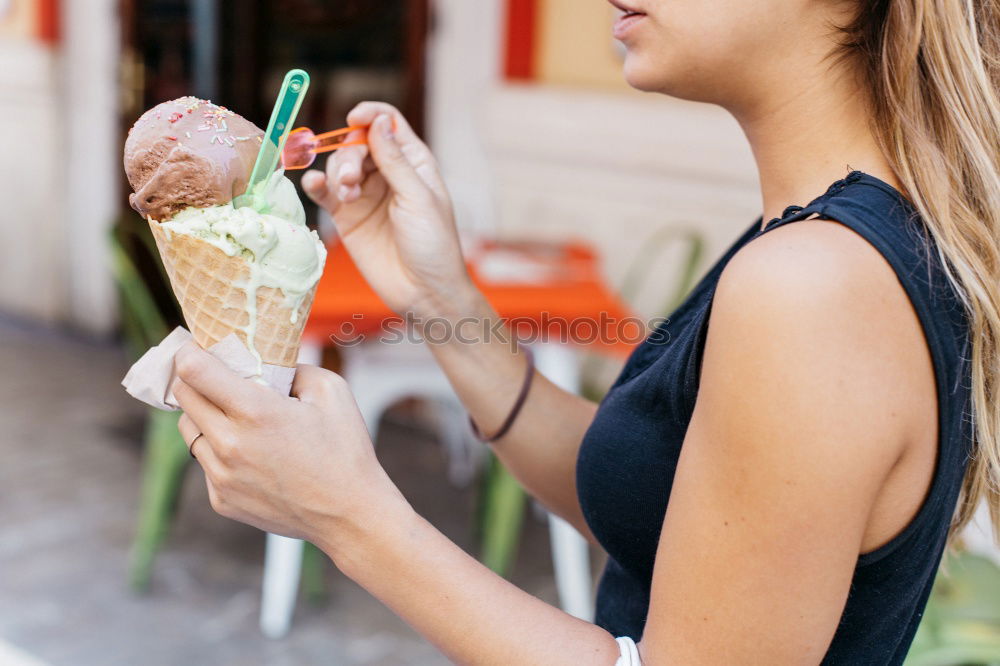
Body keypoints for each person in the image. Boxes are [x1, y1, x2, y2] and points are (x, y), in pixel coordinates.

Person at [171, 0, 1000, 662]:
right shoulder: (822, 241)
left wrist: (348, 515)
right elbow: (649, 498)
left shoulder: (814, 284)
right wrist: (437, 295)